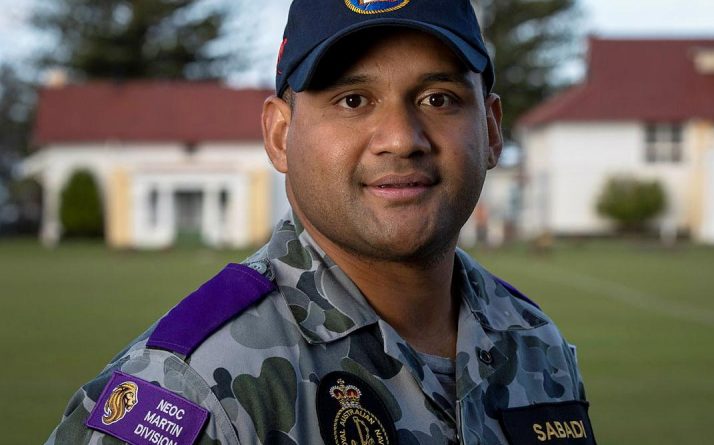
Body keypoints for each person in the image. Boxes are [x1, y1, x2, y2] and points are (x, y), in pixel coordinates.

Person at [46, 0, 595, 444]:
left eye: (438, 98)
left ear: (492, 130)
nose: (402, 138)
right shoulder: (194, 387)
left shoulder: (533, 340)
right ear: (280, 136)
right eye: (353, 100)